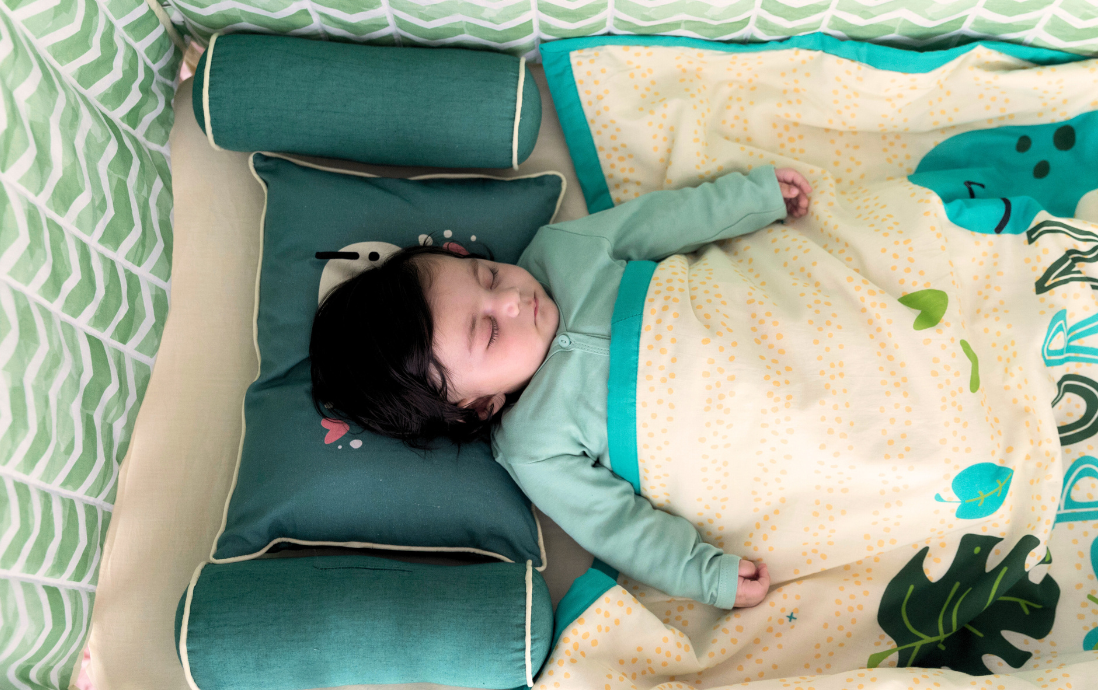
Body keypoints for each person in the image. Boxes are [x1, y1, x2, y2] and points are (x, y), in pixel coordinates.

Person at [311, 165, 812, 609]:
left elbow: (664, 220)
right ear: (479, 407)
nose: (510, 299)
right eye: (487, 332)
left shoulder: (561, 252)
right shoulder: (533, 444)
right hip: (762, 424)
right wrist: (701, 572)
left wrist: (753, 199)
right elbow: (615, 525)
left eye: (485, 275)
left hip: (766, 308)